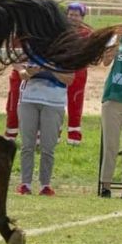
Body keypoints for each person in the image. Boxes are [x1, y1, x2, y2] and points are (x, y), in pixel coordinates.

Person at [15, 61, 74, 196]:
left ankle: (45, 185)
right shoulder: (32, 48)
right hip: (29, 99)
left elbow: (70, 79)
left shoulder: (66, 53)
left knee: (48, 147)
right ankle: (25, 184)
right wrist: (31, 72)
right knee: (27, 145)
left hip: (54, 102)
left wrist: (51, 70)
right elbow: (22, 74)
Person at [99, 12, 122, 199]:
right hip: (114, 97)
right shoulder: (121, 37)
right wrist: (117, 40)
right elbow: (105, 61)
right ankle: (106, 185)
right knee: (111, 145)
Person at [65, 2, 92, 145]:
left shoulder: (88, 33)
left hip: (79, 72)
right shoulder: (60, 30)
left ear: (82, 17)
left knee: (75, 103)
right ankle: (54, 134)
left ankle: (74, 137)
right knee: (57, 103)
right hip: (60, 71)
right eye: (70, 15)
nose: (72, 18)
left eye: (76, 15)